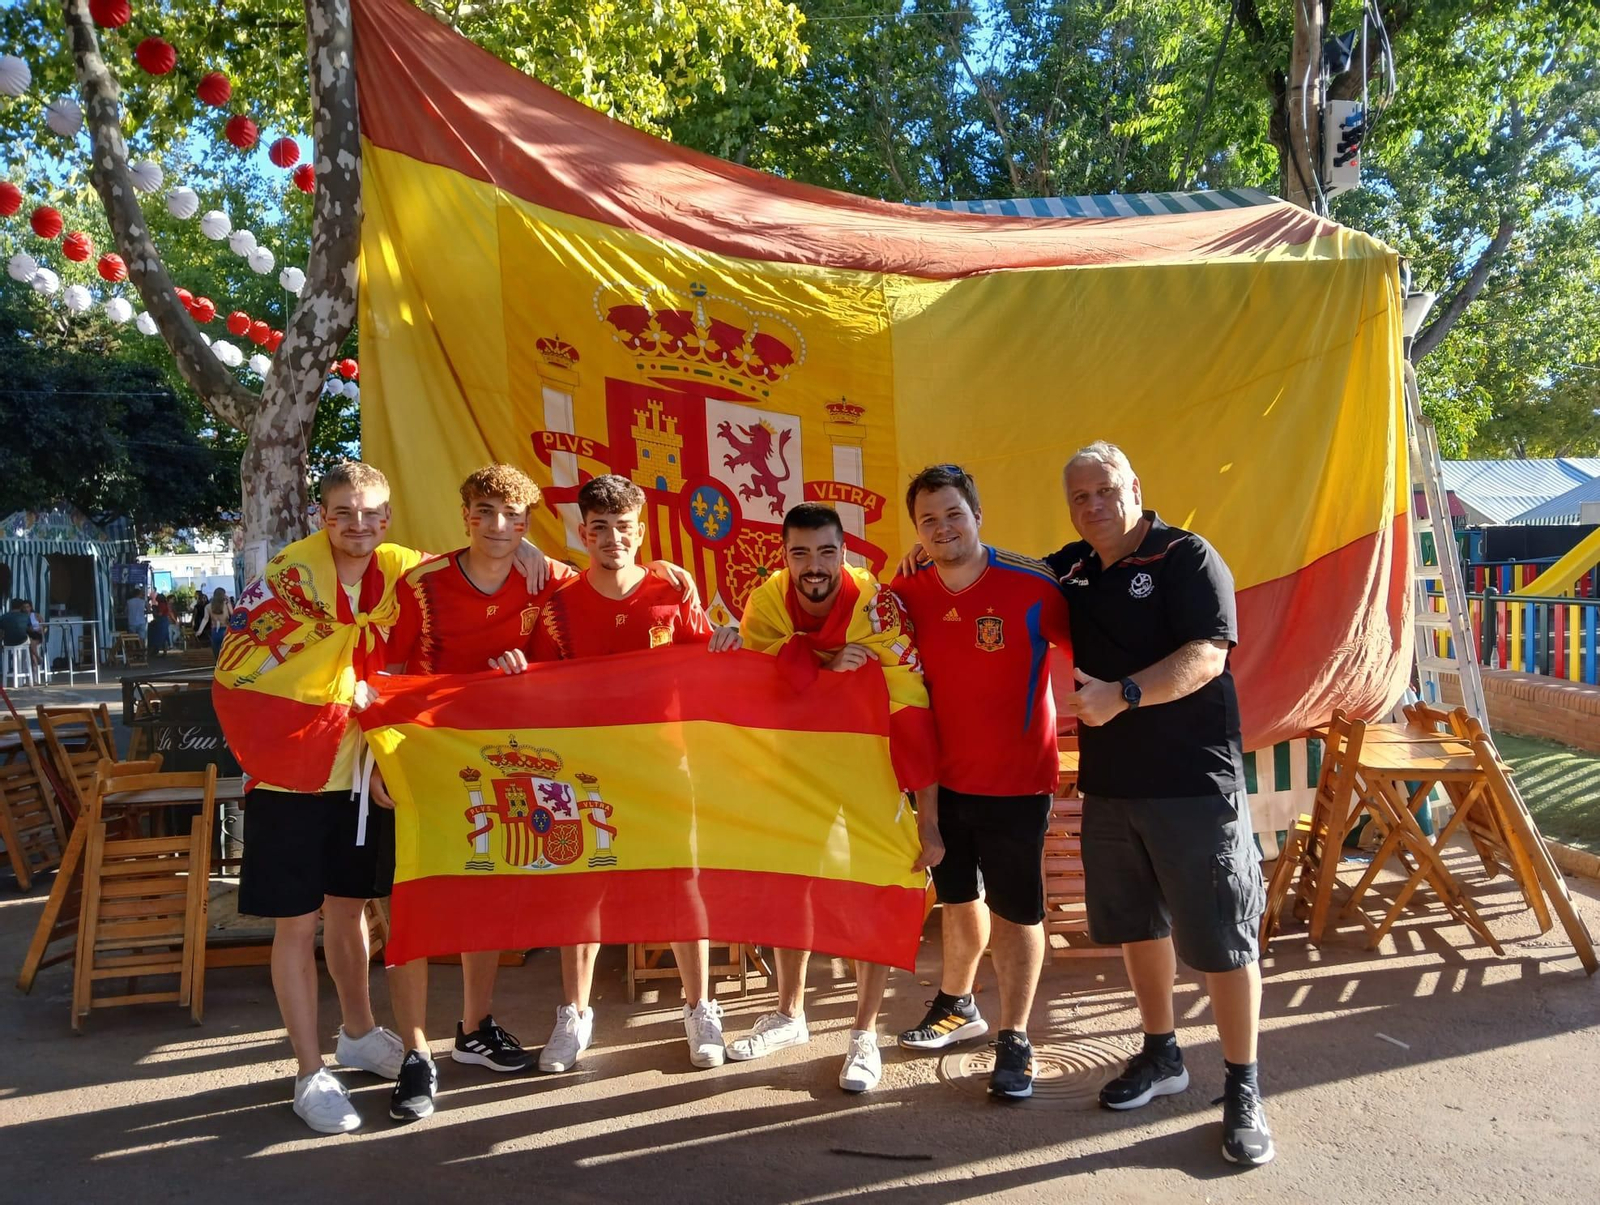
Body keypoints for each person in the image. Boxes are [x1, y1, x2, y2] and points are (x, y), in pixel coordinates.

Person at [1045, 440, 1272, 1167]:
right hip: (1112, 788)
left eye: (1105, 490)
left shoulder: (1186, 556)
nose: (1093, 506)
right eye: (1079, 497)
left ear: (1135, 485)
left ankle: (1243, 1086)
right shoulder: (1072, 568)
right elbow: (998, 581)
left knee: (1222, 940)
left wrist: (1124, 693)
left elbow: (1210, 653)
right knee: (1138, 927)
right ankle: (1161, 1053)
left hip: (1193, 784)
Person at [374, 464, 580, 1123]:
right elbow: (386, 672)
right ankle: (413, 1054)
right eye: (485, 512)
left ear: (527, 522)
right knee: (412, 901)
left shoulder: (545, 580)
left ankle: (472, 1028)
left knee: (484, 892)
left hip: (497, 759)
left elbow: (596, 615)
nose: (498, 526)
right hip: (424, 756)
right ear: (465, 515)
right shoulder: (423, 584)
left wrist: (678, 580)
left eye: (512, 516)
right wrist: (378, 755)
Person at [529, 474, 742, 1075]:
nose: (612, 538)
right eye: (599, 528)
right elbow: (537, 690)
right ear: (583, 532)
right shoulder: (559, 606)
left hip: (664, 764)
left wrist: (725, 640)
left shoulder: (670, 588)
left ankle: (701, 1007)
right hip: (584, 770)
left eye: (624, 528)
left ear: (640, 531)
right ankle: (575, 1014)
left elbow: (706, 660)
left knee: (680, 881)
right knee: (581, 889)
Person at [733, 502, 940, 1093]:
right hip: (800, 770)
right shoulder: (768, 601)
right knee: (792, 886)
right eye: (800, 553)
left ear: (844, 551)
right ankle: (790, 1014)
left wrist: (930, 822)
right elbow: (757, 667)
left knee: (870, 893)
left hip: (873, 774)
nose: (814, 566)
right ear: (784, 556)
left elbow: (913, 703)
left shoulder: (876, 604)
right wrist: (824, 660)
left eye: (826, 552)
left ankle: (863, 1033)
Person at [890, 465, 1073, 1100]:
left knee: (1018, 910)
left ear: (978, 513)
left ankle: (1015, 1036)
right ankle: (956, 1002)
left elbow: (1093, 646)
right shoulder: (908, 590)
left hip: (1019, 782)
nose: (942, 529)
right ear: (916, 529)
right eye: (928, 520)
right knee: (958, 898)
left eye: (953, 514)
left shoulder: (1032, 585)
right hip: (943, 786)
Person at [205, 588, 230, 657]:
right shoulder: (225, 605)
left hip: (215, 630)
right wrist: (229, 602)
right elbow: (233, 614)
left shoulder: (208, 606)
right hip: (225, 629)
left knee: (216, 651)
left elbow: (205, 619)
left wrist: (200, 630)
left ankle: (218, 664)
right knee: (226, 649)